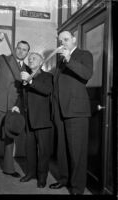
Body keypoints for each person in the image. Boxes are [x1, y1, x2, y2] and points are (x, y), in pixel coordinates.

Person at [0, 32, 30, 186]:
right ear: (15, 48)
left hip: (13, 107)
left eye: (24, 50)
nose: (21, 51)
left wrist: (18, 106)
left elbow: (24, 92)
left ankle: (9, 168)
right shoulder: (2, 59)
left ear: (27, 53)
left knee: (10, 139)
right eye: (19, 48)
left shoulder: (27, 70)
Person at [49, 30, 93, 194]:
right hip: (60, 111)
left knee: (77, 152)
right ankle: (64, 179)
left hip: (76, 111)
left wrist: (69, 59)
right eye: (61, 41)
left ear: (74, 40)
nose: (63, 43)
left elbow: (87, 74)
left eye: (66, 39)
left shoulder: (84, 54)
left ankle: (77, 188)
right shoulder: (60, 61)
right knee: (62, 149)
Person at [13, 52, 53, 188]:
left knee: (43, 152)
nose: (30, 59)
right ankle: (30, 173)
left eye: (34, 58)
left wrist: (30, 81)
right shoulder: (25, 77)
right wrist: (17, 106)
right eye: (29, 58)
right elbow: (22, 96)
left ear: (41, 62)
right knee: (29, 150)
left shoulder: (48, 76)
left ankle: (42, 177)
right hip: (28, 120)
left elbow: (47, 90)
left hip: (43, 121)